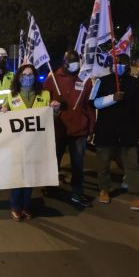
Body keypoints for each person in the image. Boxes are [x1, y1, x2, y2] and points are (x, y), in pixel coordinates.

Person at [89, 54, 139, 211]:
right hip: (106, 131)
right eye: (116, 62)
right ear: (112, 65)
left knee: (132, 165)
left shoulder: (135, 83)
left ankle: (137, 197)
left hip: (128, 132)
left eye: (122, 63)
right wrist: (113, 98)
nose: (119, 65)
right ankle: (104, 190)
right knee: (103, 164)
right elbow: (93, 103)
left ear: (127, 66)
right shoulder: (102, 81)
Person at [1, 64, 61, 221]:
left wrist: (54, 111)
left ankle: (26, 205)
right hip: (17, 145)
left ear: (35, 76)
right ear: (19, 78)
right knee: (17, 177)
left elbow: (50, 121)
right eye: (24, 75)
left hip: (36, 145)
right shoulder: (10, 97)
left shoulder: (45, 95)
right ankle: (15, 206)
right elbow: (2, 121)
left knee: (30, 178)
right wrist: (3, 112)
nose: (27, 77)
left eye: (30, 74)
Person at [43, 51, 95, 207]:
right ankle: (50, 187)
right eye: (71, 64)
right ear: (64, 63)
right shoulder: (53, 79)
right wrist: (53, 103)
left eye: (77, 64)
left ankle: (77, 193)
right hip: (58, 128)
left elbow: (89, 106)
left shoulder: (85, 80)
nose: (75, 67)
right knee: (54, 160)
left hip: (79, 130)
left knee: (78, 164)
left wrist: (91, 127)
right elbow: (43, 101)